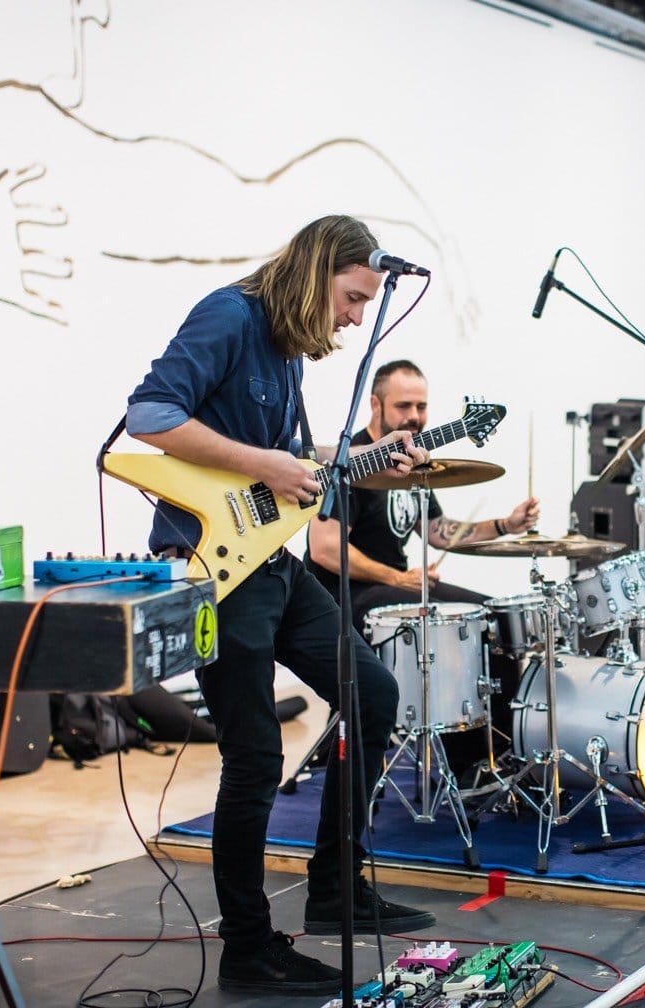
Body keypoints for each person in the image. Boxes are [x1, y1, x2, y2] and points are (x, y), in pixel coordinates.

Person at [125, 215, 436, 996]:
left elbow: (295, 462)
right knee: (257, 755)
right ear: (317, 267)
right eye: (354, 297)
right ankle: (248, 946)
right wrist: (265, 462)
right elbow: (150, 415)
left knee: (374, 694)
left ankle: (334, 886)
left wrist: (366, 461)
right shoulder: (229, 316)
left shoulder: (286, 349)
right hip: (215, 569)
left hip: (273, 563)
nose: (357, 317)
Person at [303, 358, 540, 637]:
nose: (414, 416)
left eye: (421, 406)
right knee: (449, 621)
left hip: (395, 586)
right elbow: (325, 548)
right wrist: (398, 578)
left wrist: (505, 525)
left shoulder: (410, 462)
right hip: (345, 596)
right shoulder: (353, 459)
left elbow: (437, 531)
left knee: (494, 616)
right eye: (403, 406)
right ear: (376, 405)